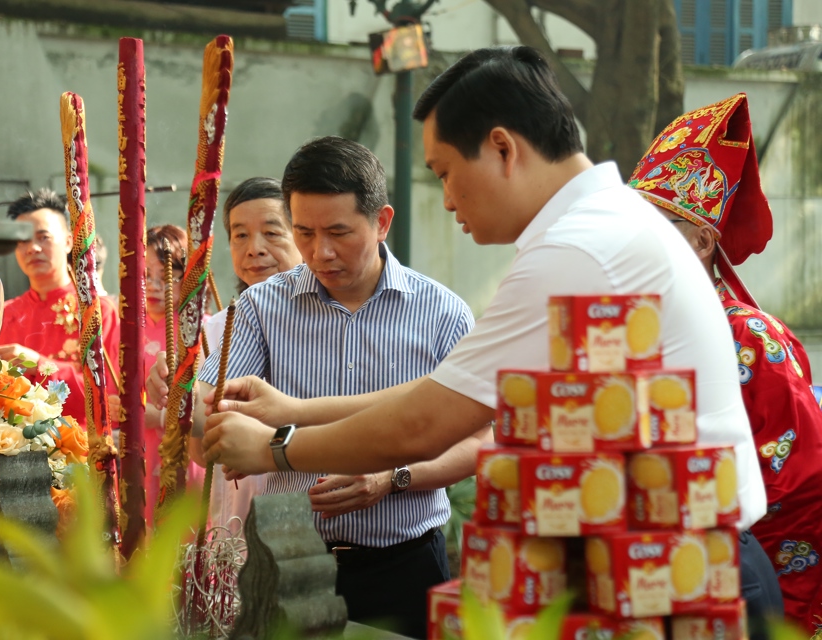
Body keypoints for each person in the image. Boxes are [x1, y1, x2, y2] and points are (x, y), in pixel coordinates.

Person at [198, 46, 777, 634]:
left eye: (446, 172)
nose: (447, 198)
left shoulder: (573, 252)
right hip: (669, 567)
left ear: (503, 148)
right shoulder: (608, 224)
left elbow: (428, 423)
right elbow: (446, 392)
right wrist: (295, 412)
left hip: (680, 579)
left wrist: (277, 446)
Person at [186, 138, 481, 638]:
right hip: (284, 560)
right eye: (304, 232)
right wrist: (186, 403)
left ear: (382, 221)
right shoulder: (260, 308)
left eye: (339, 232)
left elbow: (480, 441)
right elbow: (209, 417)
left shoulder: (442, 313)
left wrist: (394, 477)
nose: (320, 252)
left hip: (402, 563)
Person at [631, 93, 810, 632]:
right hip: (643, 577)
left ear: (703, 239)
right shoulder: (622, 327)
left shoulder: (752, 338)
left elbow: (801, 484)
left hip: (731, 578)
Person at [200, 177, 304, 535]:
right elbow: (201, 448)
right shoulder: (211, 330)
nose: (255, 248)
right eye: (240, 235)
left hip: (306, 513)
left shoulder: (326, 321)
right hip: (235, 512)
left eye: (273, 233)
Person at [0, 188, 120, 428]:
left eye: (44, 237)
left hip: (82, 456)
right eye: (23, 240)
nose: (33, 248)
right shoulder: (2, 316)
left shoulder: (98, 311)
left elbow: (110, 399)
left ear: (69, 241)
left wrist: (38, 365)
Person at [136, 224, 205, 527]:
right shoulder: (127, 327)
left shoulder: (199, 330)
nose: (153, 285)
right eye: (145, 276)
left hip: (187, 452)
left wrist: (160, 417)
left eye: (165, 276)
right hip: (140, 451)